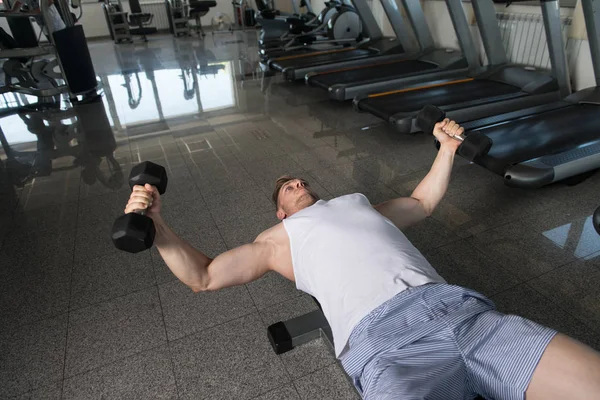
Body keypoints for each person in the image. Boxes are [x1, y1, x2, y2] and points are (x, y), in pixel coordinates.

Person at [124, 119, 600, 400]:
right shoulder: (275, 240)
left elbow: (423, 203)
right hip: (384, 347)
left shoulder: (359, 206)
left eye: (297, 179)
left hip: (459, 311)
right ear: (279, 210)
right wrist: (159, 225)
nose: (294, 182)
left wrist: (449, 150)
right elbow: (203, 277)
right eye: (284, 187)